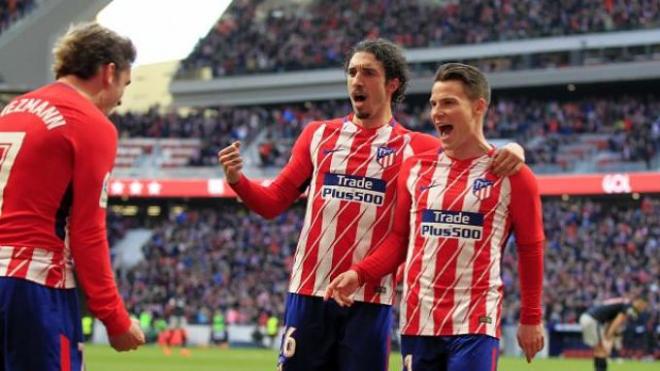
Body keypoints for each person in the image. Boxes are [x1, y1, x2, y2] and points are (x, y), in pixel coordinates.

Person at [218, 39, 525, 371]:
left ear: (392, 84)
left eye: (368, 72)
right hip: (309, 294)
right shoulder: (318, 135)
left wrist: (514, 150)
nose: (356, 80)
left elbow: (471, 152)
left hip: (370, 300)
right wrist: (238, 180)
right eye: (352, 72)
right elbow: (272, 202)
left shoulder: (418, 148)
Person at [325, 63, 546, 371]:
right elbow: (399, 241)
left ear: (479, 107)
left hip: (475, 321)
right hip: (418, 320)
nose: (437, 112)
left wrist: (531, 318)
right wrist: (359, 274)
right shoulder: (416, 168)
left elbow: (531, 248)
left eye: (449, 103)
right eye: (434, 104)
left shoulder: (512, 175)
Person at [0, 22, 144, 370]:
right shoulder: (90, 124)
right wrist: (115, 317)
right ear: (109, 72)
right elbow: (87, 231)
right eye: (124, 86)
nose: (119, 101)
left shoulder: (13, 109)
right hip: (33, 284)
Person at [578, 297, 648, 371]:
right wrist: (608, 336)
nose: (642, 308)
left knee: (599, 349)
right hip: (593, 320)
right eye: (643, 305)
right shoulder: (627, 306)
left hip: (588, 318)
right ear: (637, 301)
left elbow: (611, 319)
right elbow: (617, 321)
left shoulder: (623, 302)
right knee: (602, 350)